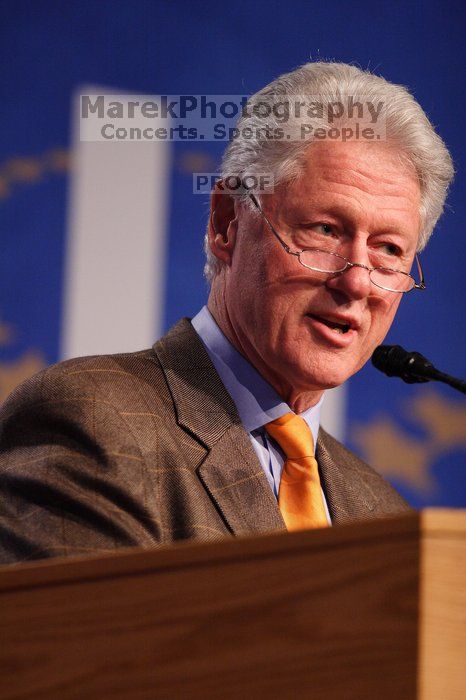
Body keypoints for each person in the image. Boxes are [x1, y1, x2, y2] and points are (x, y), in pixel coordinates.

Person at [0, 62, 453, 564]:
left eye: (389, 250)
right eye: (324, 230)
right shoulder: (94, 423)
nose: (356, 280)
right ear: (226, 223)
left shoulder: (381, 513)